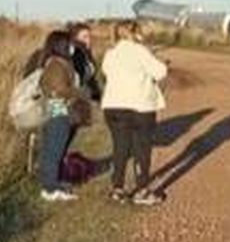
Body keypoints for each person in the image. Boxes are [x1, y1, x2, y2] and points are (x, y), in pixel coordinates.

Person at [101, 21, 170, 205]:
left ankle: (117, 188)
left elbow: (106, 72)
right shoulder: (140, 51)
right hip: (139, 106)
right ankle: (142, 190)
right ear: (135, 33)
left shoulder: (110, 53)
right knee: (141, 149)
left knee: (120, 148)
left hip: (113, 106)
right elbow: (161, 72)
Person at [36, 30, 91, 201]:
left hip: (56, 110)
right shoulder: (56, 65)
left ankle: (52, 183)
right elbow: (59, 90)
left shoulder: (55, 62)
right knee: (54, 150)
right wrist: (80, 92)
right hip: (58, 111)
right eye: (69, 44)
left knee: (54, 149)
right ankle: (50, 189)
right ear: (61, 45)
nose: (72, 47)